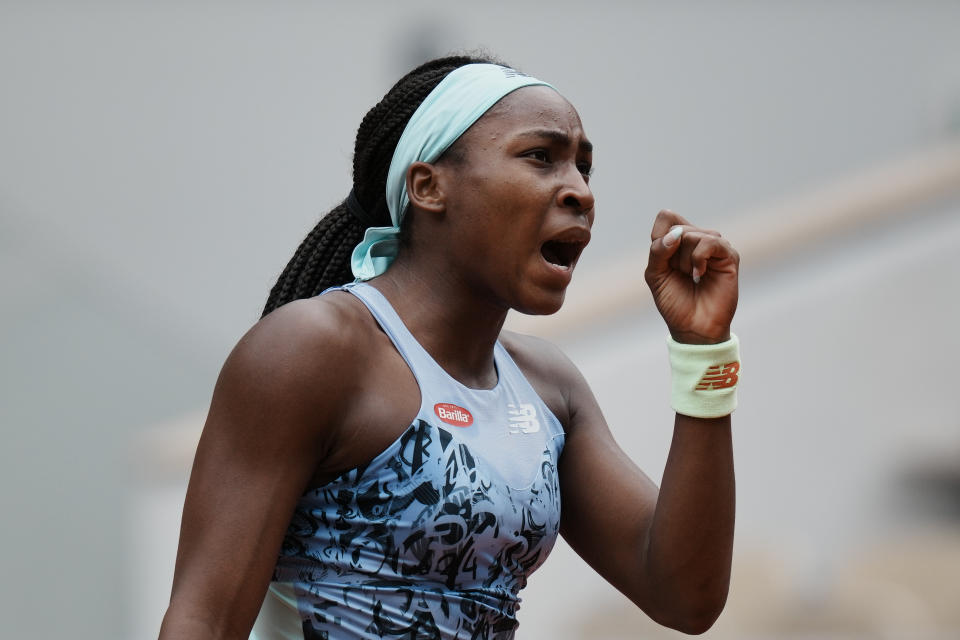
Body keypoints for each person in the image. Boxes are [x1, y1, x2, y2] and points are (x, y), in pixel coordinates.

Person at [159, 54, 740, 640]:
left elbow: (684, 597)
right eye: (541, 156)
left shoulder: (548, 387)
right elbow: (202, 621)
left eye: (584, 169)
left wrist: (704, 352)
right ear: (429, 186)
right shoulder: (313, 349)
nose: (580, 193)